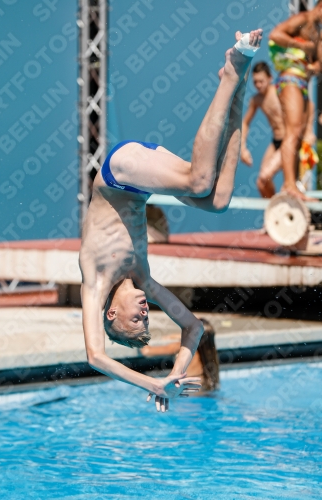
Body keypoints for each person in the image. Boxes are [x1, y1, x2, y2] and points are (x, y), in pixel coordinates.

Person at [79, 30, 263, 412]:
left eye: (135, 322)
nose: (146, 316)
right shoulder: (143, 280)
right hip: (138, 186)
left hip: (118, 172)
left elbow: (95, 357)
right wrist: (175, 373)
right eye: (147, 323)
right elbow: (194, 328)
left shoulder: (95, 283)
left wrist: (153, 385)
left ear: (111, 315)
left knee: (197, 181)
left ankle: (231, 71)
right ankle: (236, 87)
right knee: (217, 201)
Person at [269, 3, 322, 200]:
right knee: (292, 131)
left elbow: (319, 62)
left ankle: (294, 185)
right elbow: (275, 35)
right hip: (290, 79)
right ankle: (288, 184)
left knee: (299, 135)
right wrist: (301, 45)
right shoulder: (303, 19)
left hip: (302, 82)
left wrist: (314, 67)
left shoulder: (317, 31)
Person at [241, 61, 318, 198]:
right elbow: (245, 123)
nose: (258, 85)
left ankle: (284, 208)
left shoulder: (280, 92)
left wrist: (308, 131)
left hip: (289, 142)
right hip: (275, 142)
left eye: (261, 81)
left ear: (270, 78)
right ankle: (276, 212)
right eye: (255, 82)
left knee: (268, 178)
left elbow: (309, 104)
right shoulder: (256, 100)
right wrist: (242, 148)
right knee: (261, 183)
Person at [141, 318, 220, 392]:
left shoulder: (183, 347)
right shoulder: (210, 351)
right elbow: (204, 335)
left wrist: (139, 334)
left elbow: (146, 351)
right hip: (203, 388)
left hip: (186, 391)